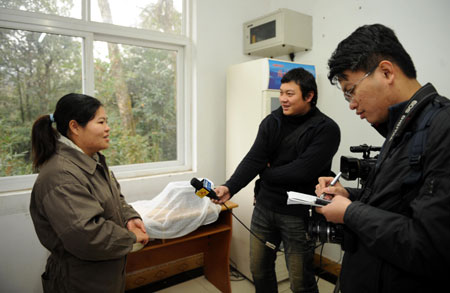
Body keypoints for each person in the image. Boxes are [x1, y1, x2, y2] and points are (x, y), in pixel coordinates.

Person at [316, 24, 450, 293]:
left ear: (386, 72)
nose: (351, 104)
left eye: (350, 91)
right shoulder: (402, 126)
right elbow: (396, 204)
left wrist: (349, 212)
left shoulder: (442, 126)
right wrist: (348, 196)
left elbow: (430, 246)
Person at [214, 67, 341, 293]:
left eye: (290, 94)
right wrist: (229, 187)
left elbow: (302, 171)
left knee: (301, 281)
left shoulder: (326, 129)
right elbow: (254, 158)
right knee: (259, 270)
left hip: (299, 214)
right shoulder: (272, 122)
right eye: (281, 92)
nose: (283, 99)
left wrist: (266, 172)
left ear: (309, 96)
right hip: (264, 207)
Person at [30, 93, 149, 293]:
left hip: (104, 274)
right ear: (75, 127)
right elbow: (87, 236)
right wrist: (130, 237)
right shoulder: (61, 176)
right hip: (80, 281)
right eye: (101, 122)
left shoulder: (93, 160)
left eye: (107, 122)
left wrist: (130, 216)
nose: (107, 128)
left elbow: (115, 197)